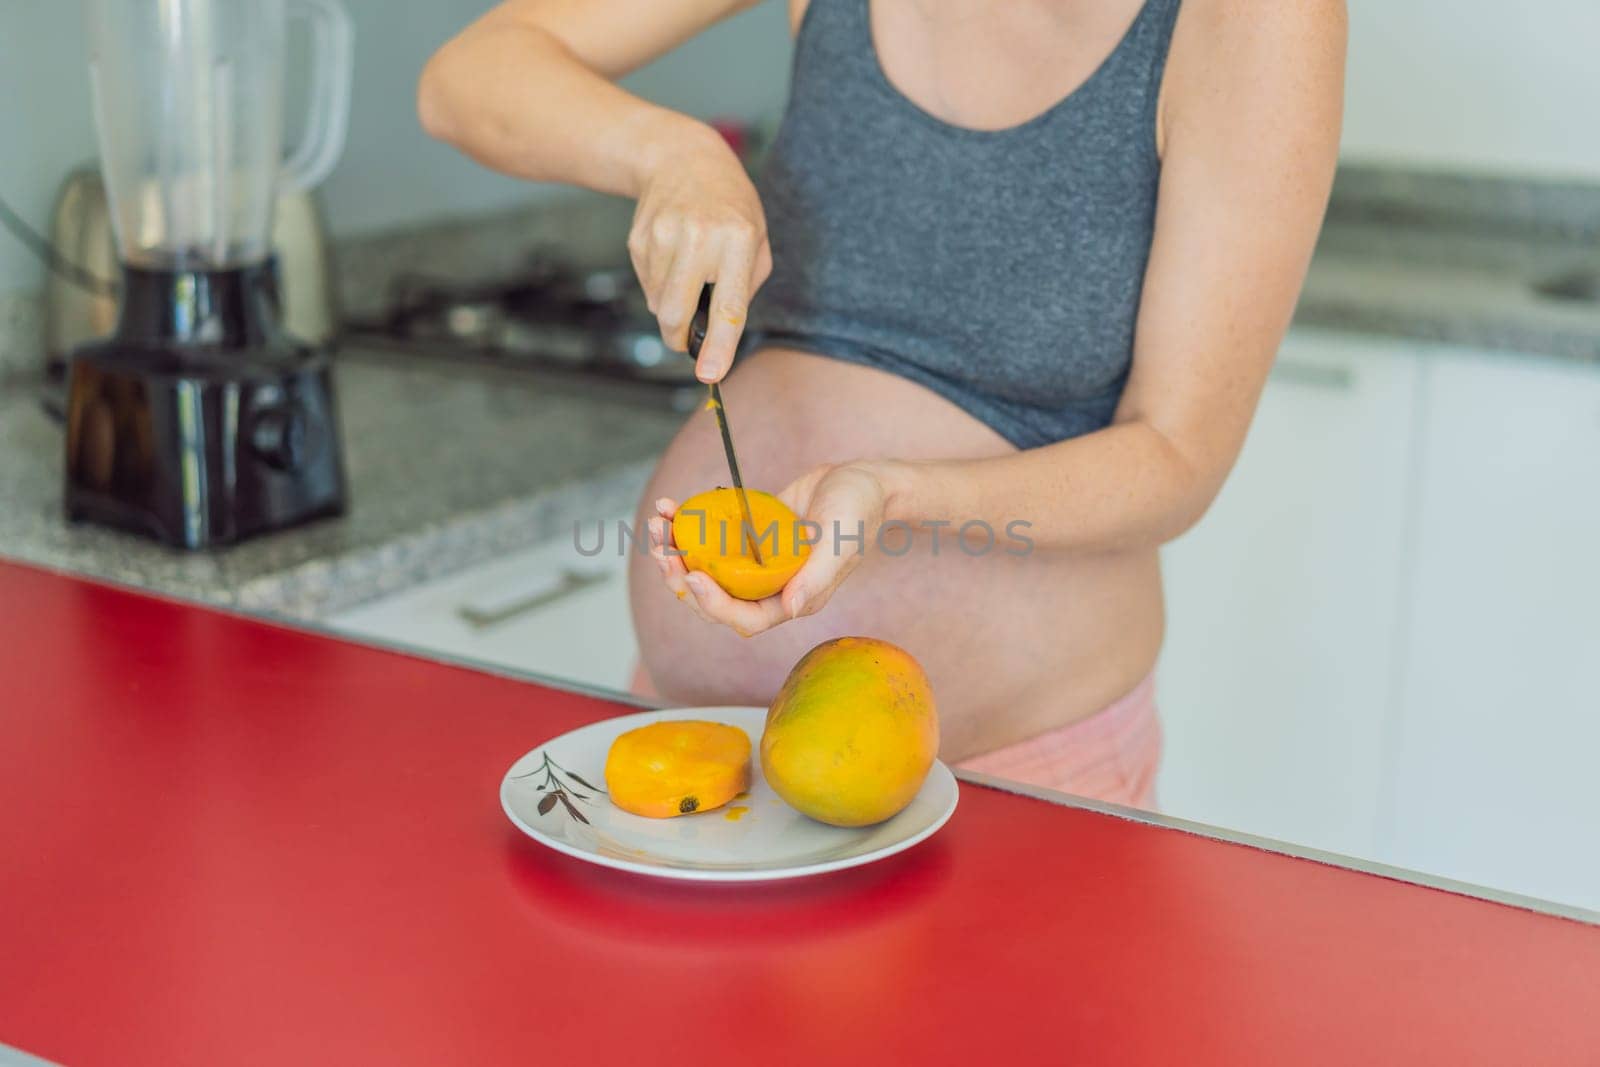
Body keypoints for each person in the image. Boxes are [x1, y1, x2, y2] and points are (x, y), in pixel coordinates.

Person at [420, 0, 1347, 807]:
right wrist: (671, 153)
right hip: (700, 749)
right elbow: (465, 79)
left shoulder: (1255, 16)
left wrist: (898, 495)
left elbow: (1178, 458)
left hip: (1019, 777)